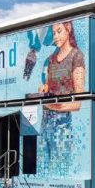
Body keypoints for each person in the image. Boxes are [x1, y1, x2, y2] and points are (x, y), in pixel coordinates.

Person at [37, 21, 86, 175]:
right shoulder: (51, 59)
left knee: (59, 169)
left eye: (59, 31)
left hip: (62, 125)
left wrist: (58, 107)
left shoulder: (76, 56)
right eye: (53, 33)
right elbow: (48, 86)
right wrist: (44, 89)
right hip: (45, 121)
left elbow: (78, 102)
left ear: (68, 29)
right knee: (42, 168)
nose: (56, 37)